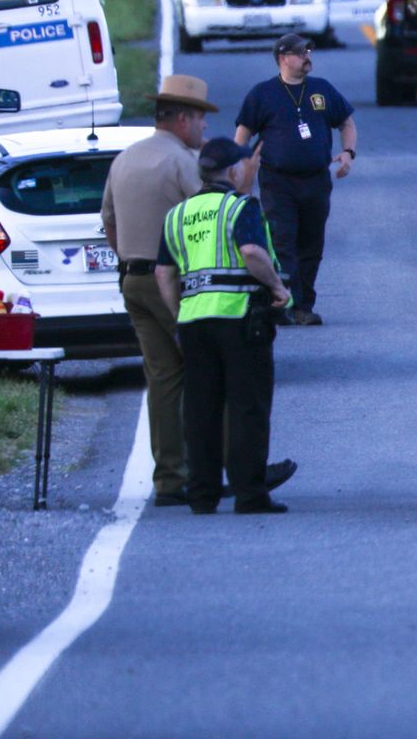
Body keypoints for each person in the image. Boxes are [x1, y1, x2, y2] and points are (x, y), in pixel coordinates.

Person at [153, 140, 294, 514]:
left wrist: (178, 314)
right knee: (247, 407)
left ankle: (202, 495)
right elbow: (251, 253)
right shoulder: (239, 207)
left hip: (194, 323)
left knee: (201, 409)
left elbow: (164, 273)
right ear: (233, 171)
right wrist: (278, 286)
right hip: (240, 318)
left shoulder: (177, 215)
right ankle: (250, 494)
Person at [100, 76, 207, 506]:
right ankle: (233, 468)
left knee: (163, 377)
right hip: (172, 281)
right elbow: (209, 213)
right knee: (208, 368)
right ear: (182, 118)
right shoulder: (183, 162)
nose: (203, 129)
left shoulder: (124, 158)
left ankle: (168, 479)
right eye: (200, 119)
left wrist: (130, 258)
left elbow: (107, 219)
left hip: (133, 279)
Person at [234, 33, 355, 326]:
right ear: (283, 57)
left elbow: (346, 122)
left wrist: (348, 152)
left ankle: (304, 305)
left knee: (311, 244)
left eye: (309, 51)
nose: (307, 57)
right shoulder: (262, 94)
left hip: (315, 181)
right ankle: (287, 302)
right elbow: (243, 134)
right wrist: (241, 169)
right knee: (283, 241)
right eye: (301, 53)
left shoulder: (322, 90)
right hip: (278, 182)